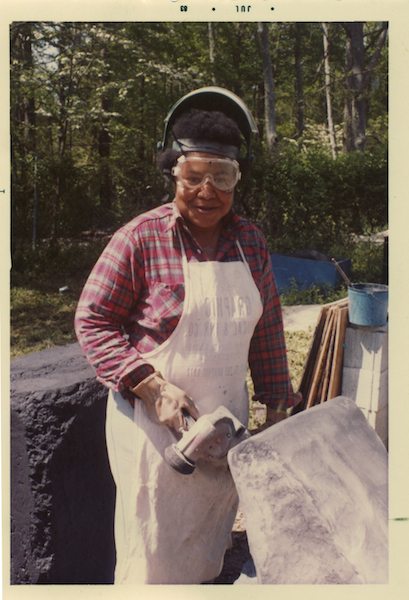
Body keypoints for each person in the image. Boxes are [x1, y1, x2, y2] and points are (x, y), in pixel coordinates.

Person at [75, 87, 301, 584]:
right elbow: (93, 321)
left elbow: (265, 333)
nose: (208, 191)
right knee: (151, 555)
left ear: (238, 179)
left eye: (222, 177)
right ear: (172, 173)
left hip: (225, 429)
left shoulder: (251, 243)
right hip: (153, 430)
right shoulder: (140, 237)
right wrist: (152, 387)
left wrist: (277, 412)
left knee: (207, 543)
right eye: (193, 176)